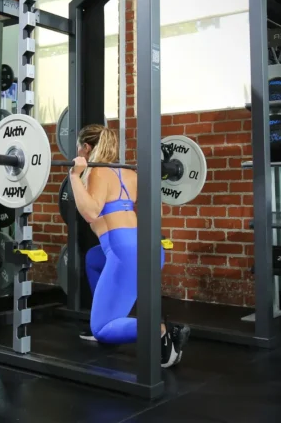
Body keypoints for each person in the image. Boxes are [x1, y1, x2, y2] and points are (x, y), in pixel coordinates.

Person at [68, 124, 190, 368]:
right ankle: (108, 313)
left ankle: (161, 331)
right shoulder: (129, 172)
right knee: (93, 259)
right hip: (148, 247)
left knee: (101, 329)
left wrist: (74, 176)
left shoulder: (97, 172)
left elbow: (91, 212)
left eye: (79, 148)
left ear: (87, 148)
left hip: (125, 252)